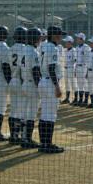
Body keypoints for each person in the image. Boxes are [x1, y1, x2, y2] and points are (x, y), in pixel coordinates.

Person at [38, 25, 66, 153]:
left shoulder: (43, 46)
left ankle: (43, 143)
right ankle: (47, 144)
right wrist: (57, 86)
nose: (61, 37)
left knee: (44, 114)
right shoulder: (53, 48)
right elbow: (51, 68)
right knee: (50, 115)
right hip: (50, 83)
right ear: (55, 35)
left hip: (43, 82)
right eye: (60, 34)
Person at [21, 28, 42, 149]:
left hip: (24, 83)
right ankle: (27, 139)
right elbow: (35, 71)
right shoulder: (34, 52)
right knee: (32, 113)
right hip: (32, 84)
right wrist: (39, 86)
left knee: (24, 112)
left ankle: (23, 137)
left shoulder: (24, 50)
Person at [8, 26, 27, 145]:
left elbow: (6, 66)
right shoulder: (25, 49)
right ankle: (21, 135)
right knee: (22, 110)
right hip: (21, 81)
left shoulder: (10, 49)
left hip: (12, 80)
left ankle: (13, 135)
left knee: (13, 109)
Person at [74, 32, 90, 107]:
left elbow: (88, 60)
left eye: (78, 38)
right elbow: (76, 60)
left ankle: (86, 101)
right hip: (78, 67)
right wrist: (75, 69)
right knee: (79, 84)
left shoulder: (86, 47)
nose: (77, 39)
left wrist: (87, 70)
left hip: (84, 67)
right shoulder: (77, 47)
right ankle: (80, 100)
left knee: (85, 84)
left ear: (82, 39)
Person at [61, 35, 76, 104]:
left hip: (71, 69)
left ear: (70, 43)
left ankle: (75, 99)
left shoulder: (74, 50)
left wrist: (74, 69)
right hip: (66, 69)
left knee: (73, 84)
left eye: (66, 42)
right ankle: (67, 98)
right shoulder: (65, 50)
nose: (65, 43)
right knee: (67, 84)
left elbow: (75, 61)